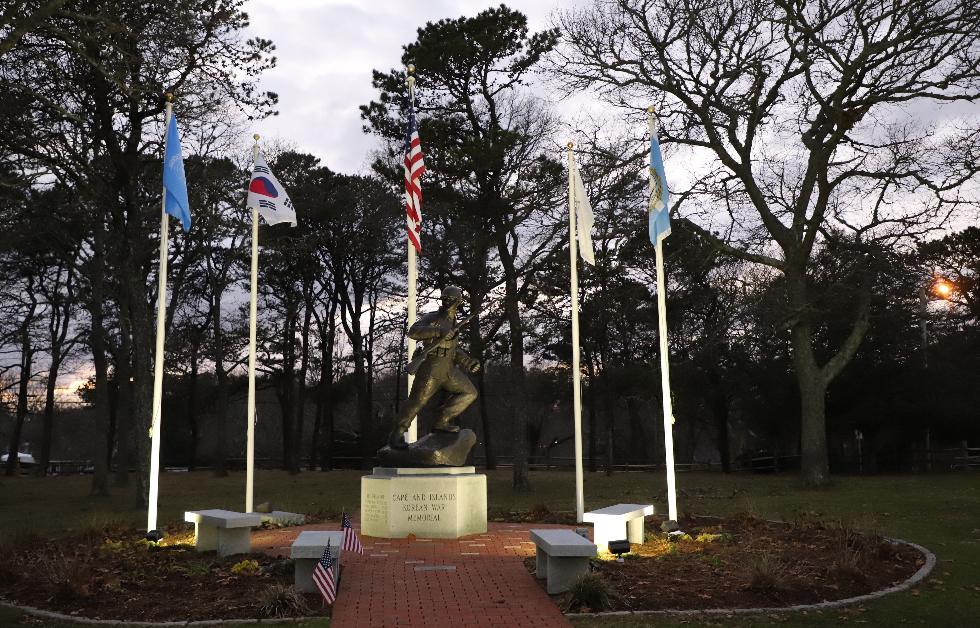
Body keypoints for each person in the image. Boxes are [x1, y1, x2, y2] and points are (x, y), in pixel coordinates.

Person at [388, 285, 479, 449]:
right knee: (417, 402)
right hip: (431, 367)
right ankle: (397, 434)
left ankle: (442, 421)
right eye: (444, 298)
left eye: (451, 299)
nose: (446, 302)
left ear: (458, 302)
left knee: (470, 392)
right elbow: (413, 332)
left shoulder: (454, 322)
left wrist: (468, 362)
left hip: (449, 369)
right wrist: (437, 331)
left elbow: (452, 350)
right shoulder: (433, 317)